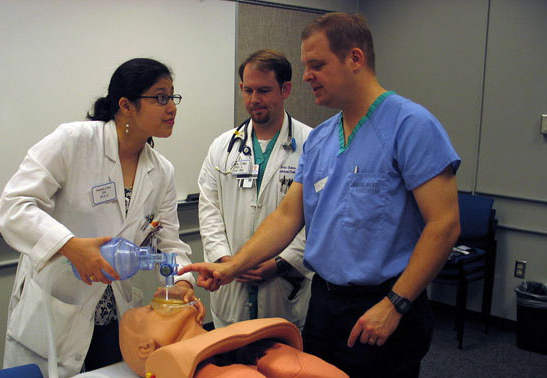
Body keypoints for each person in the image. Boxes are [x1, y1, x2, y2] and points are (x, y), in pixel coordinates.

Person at [180, 12, 461, 378]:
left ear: (355, 59)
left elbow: (445, 224)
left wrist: (395, 304)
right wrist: (231, 267)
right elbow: (286, 216)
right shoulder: (322, 139)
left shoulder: (411, 126)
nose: (307, 76)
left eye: (316, 65)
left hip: (383, 304)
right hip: (324, 307)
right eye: (305, 66)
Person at [0, 58, 200, 377]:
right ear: (126, 105)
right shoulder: (74, 142)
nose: (172, 107)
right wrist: (70, 246)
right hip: (56, 311)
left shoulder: (161, 171)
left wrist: (181, 282)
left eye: (173, 97)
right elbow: (14, 205)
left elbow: (169, 242)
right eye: (160, 97)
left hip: (113, 318)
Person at [197, 49, 312, 329]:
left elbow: (318, 216)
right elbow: (209, 210)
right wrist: (227, 261)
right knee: (229, 365)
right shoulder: (222, 146)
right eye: (248, 90)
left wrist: (281, 263)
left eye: (264, 90)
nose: (254, 100)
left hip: (282, 284)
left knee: (281, 364)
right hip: (231, 285)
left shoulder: (312, 143)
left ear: (285, 89)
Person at [119, 298, 348, 377]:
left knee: (285, 363)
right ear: (146, 347)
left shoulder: (271, 353)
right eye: (150, 309)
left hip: (251, 349)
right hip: (200, 368)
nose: (161, 300)